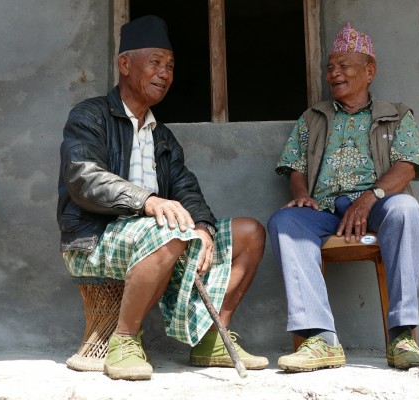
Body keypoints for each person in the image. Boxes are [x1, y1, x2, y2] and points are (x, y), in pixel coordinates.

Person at [57, 15, 268, 381]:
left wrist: (202, 228)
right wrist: (148, 201)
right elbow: (84, 179)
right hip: (94, 238)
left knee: (249, 233)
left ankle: (210, 337)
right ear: (125, 64)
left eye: (169, 65)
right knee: (166, 229)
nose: (165, 73)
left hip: (157, 238)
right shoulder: (90, 116)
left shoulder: (163, 137)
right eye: (155, 62)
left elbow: (187, 189)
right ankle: (124, 340)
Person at [267, 23, 419, 372]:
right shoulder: (313, 118)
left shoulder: (396, 114)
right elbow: (295, 167)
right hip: (325, 209)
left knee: (406, 209)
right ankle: (321, 339)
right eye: (330, 67)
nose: (334, 73)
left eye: (344, 65)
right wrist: (300, 195)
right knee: (285, 220)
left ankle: (403, 337)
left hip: (378, 206)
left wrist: (369, 199)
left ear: (369, 71)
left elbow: (406, 168)